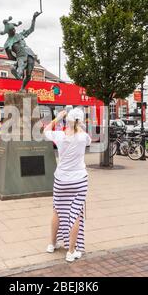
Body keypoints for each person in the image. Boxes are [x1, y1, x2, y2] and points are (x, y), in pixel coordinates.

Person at [44, 108, 91, 262]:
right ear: (80, 121)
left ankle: (52, 244)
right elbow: (87, 138)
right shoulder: (84, 137)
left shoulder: (60, 135)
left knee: (57, 210)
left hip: (61, 179)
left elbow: (45, 130)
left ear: (67, 120)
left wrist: (58, 118)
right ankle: (71, 251)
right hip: (79, 180)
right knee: (76, 214)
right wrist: (79, 124)